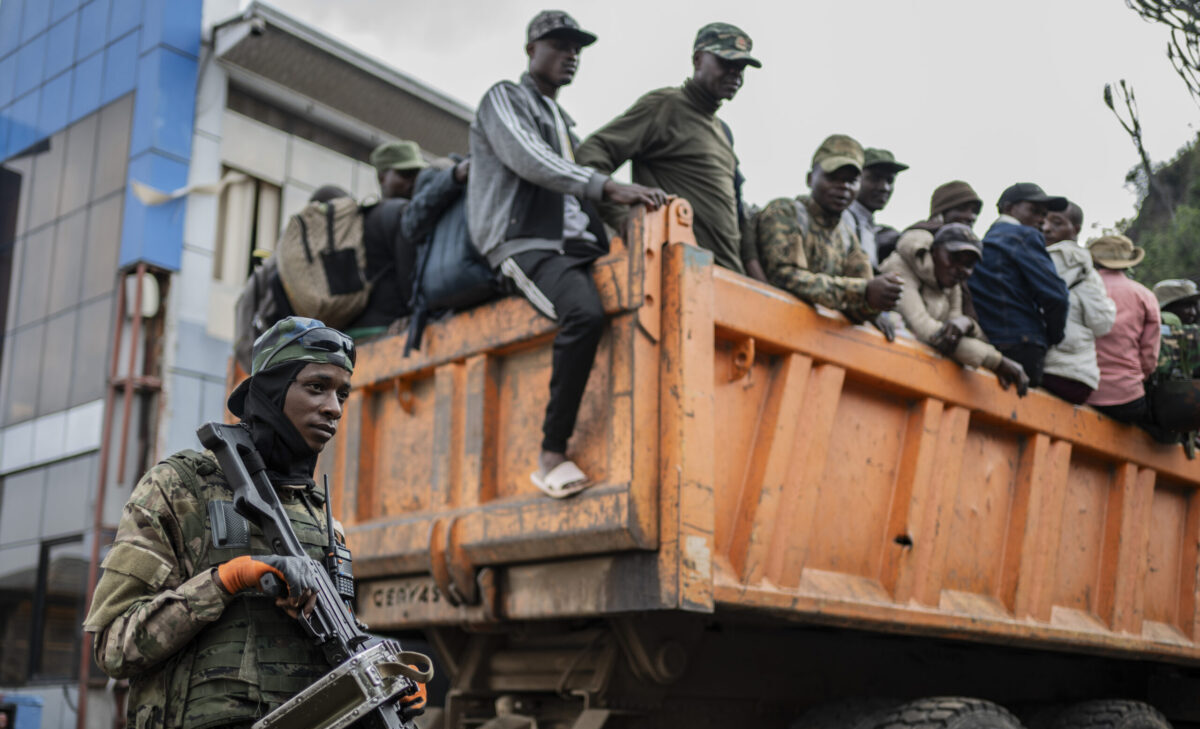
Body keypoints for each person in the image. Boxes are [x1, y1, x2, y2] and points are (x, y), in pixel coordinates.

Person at [83, 317, 374, 729]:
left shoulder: (323, 520)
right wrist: (228, 579)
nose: (334, 407)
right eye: (316, 386)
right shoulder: (180, 488)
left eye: (342, 393)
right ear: (272, 390)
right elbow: (114, 648)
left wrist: (387, 675)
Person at [468, 10, 667, 498]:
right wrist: (607, 186)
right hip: (523, 243)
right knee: (583, 313)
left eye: (576, 48)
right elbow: (528, 159)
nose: (570, 55)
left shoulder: (563, 122)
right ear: (530, 51)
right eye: (558, 44)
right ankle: (551, 455)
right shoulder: (504, 99)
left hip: (574, 248)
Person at [575, 22, 762, 278]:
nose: (735, 74)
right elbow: (591, 154)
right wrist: (623, 218)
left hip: (725, 277)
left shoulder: (723, 131)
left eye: (740, 68)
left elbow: (738, 211)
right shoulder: (665, 106)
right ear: (698, 60)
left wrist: (755, 277)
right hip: (680, 272)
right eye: (725, 63)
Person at [758, 134, 903, 340]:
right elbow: (786, 278)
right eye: (833, 178)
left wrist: (875, 305)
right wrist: (864, 292)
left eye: (851, 180)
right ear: (810, 178)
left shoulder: (846, 236)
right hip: (771, 331)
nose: (843, 186)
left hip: (813, 342)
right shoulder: (785, 212)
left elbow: (860, 297)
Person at [881, 223, 1028, 394]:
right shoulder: (899, 266)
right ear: (934, 250)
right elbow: (926, 329)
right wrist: (996, 361)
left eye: (969, 265)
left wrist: (967, 324)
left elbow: (952, 335)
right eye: (953, 258)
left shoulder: (951, 284)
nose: (960, 269)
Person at [966, 183, 1070, 387]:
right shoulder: (1024, 236)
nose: (1041, 221)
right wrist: (1053, 336)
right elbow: (1056, 296)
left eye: (1044, 214)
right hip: (1024, 345)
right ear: (1009, 208)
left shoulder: (983, 243)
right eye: (1034, 211)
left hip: (989, 343)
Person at [1039, 202, 1116, 404]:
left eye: (1057, 223)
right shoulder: (1090, 275)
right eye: (1044, 220)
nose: (1047, 228)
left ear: (1076, 229)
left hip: (1048, 370)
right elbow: (1102, 325)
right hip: (1081, 378)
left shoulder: (1042, 261)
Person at [1086, 235, 1164, 435]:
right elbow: (1149, 357)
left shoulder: (1081, 288)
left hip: (1081, 391)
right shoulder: (1144, 295)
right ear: (1127, 263)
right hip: (1126, 398)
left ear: (1093, 259)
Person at [877, 180, 982, 265]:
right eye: (962, 208)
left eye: (974, 211)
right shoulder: (916, 241)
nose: (971, 216)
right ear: (939, 214)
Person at [844, 147, 908, 268]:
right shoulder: (844, 219)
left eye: (890, 180)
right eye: (875, 178)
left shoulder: (868, 225)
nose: (884, 187)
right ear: (856, 179)